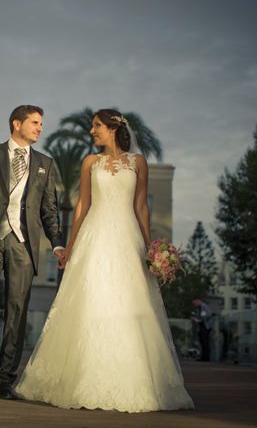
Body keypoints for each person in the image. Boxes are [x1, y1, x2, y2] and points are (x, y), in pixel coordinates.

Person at [15, 108, 194, 412]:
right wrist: (69, 246)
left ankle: (133, 380)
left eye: (96, 126)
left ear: (112, 128)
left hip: (128, 240)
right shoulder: (89, 162)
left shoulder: (138, 162)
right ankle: (82, 378)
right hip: (94, 238)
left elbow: (141, 206)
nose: (91, 131)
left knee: (128, 303)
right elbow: (83, 204)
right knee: (92, 299)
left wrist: (151, 248)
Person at [0, 104, 65, 400]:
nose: (40, 128)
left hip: (24, 243)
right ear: (16, 124)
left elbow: (49, 210)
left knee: (17, 311)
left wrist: (57, 243)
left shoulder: (46, 162)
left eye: (41, 123)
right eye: (34, 122)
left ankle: (5, 378)